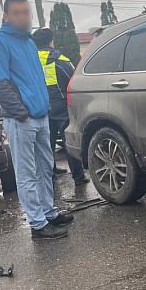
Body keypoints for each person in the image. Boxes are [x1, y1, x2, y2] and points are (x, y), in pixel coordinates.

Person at [0, 0, 73, 239]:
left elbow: (36, 80)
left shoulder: (29, 43)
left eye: (26, 12)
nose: (23, 17)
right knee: (26, 173)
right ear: (6, 16)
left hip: (41, 117)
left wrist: (43, 108)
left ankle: (49, 212)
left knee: (46, 168)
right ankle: (37, 224)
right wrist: (21, 113)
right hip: (21, 120)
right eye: (17, 13)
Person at [32, 28, 90, 186]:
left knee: (45, 143)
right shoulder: (58, 59)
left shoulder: (29, 60)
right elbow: (73, 80)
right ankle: (78, 177)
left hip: (40, 107)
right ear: (51, 41)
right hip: (61, 106)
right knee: (68, 141)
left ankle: (50, 174)